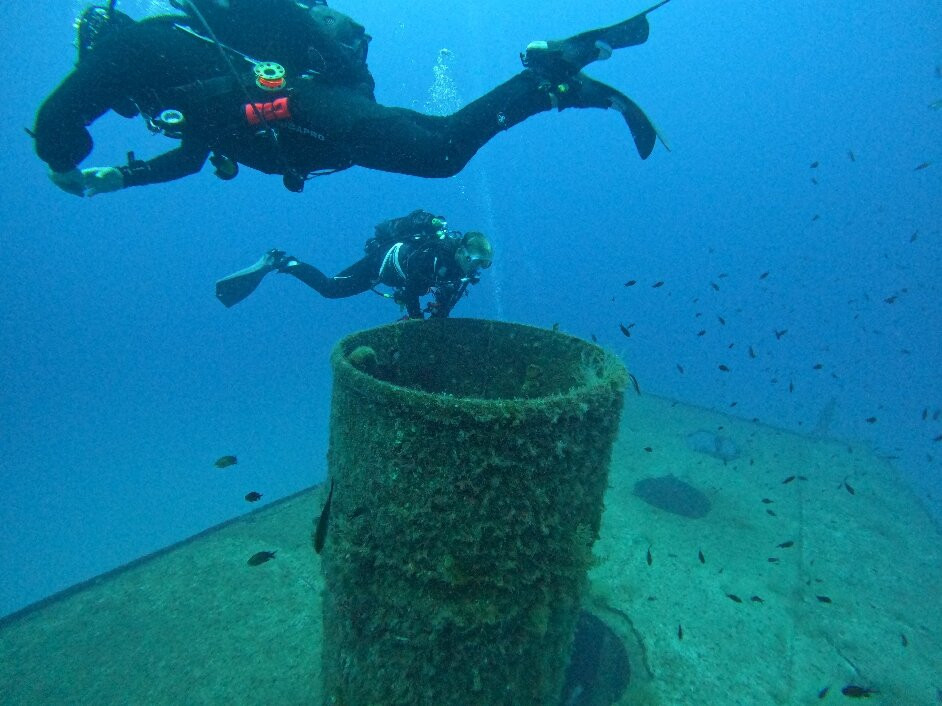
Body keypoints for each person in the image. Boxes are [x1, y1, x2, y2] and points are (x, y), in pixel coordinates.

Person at [33, 1, 670, 197]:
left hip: (303, 106)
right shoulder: (170, 73)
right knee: (437, 134)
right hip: (312, 123)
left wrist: (64, 165)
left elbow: (58, 119)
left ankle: (550, 73)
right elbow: (196, 154)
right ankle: (560, 85)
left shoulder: (131, 51)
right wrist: (111, 178)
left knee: (440, 154)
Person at [215, 210, 493, 319]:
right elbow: (411, 291)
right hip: (380, 265)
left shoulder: (459, 271)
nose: (476, 269)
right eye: (475, 261)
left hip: (395, 272)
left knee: (331, 290)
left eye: (484, 264)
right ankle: (282, 260)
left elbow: (448, 295)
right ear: (463, 253)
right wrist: (417, 320)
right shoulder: (433, 259)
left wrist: (440, 313)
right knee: (329, 289)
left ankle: (283, 261)